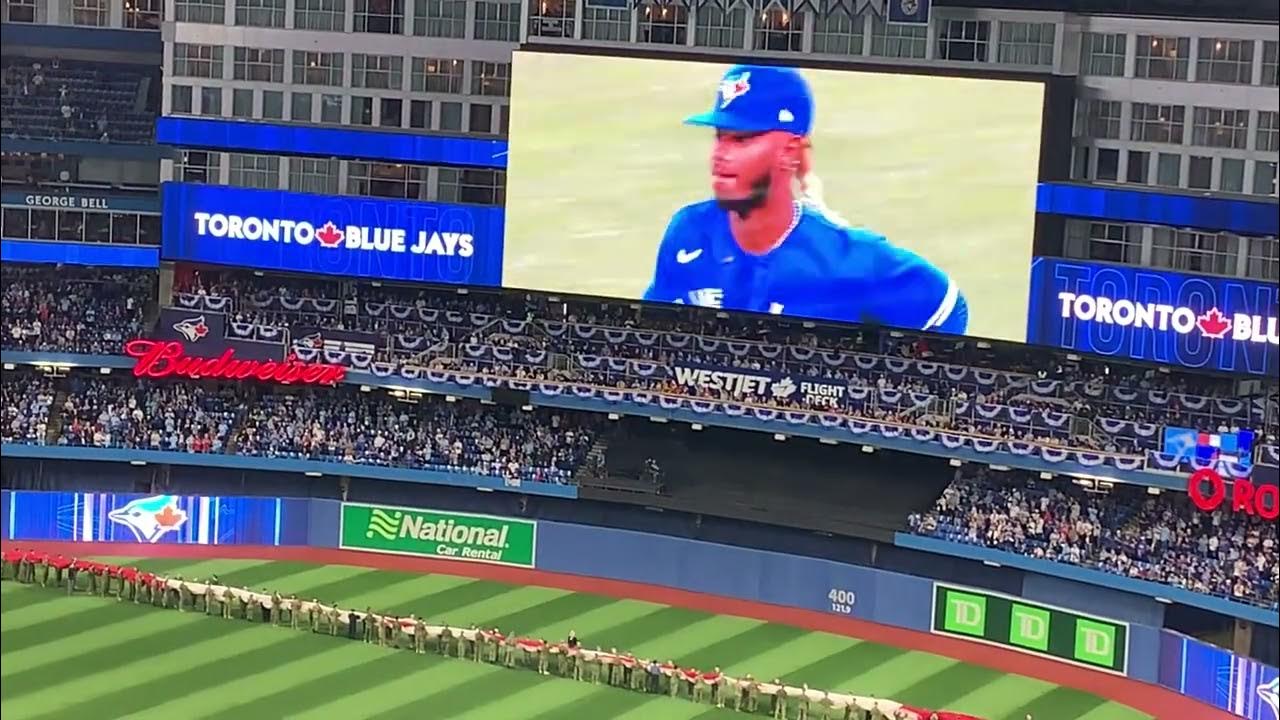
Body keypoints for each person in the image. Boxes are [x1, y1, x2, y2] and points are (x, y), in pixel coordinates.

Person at [644, 64, 967, 334]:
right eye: (719, 138)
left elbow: (947, 309)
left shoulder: (848, 260)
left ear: (790, 151)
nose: (720, 155)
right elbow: (647, 330)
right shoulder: (688, 230)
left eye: (741, 140)